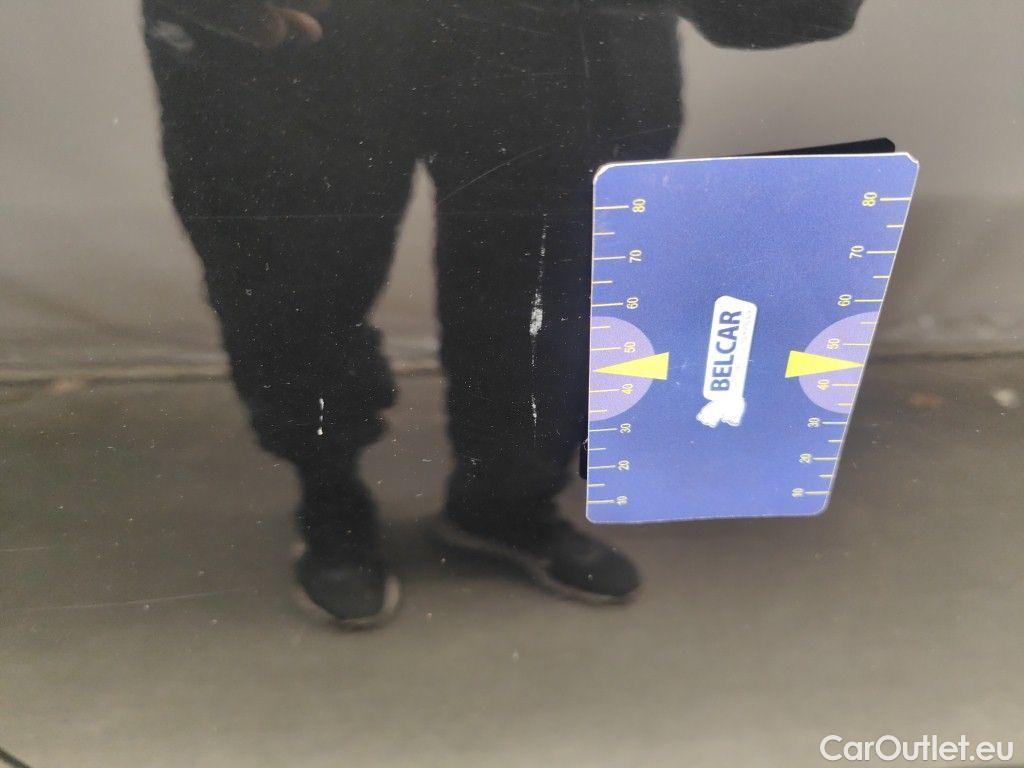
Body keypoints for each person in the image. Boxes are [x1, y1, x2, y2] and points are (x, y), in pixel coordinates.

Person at [143, 0, 862, 627]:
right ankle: (328, 495)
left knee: (554, 279)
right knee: (289, 271)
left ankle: (504, 504)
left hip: (560, 24)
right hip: (320, 28)